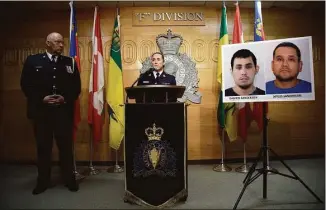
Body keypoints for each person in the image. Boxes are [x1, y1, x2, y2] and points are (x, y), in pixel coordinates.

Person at [20, 32, 81, 195]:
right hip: (42, 113)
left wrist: (64, 98)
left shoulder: (70, 63)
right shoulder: (33, 61)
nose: (61, 45)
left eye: (62, 42)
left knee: (66, 148)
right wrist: (42, 98)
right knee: (43, 148)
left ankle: (69, 179)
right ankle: (43, 182)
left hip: (63, 113)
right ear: (48, 43)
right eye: (57, 42)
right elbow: (26, 85)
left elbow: (76, 87)